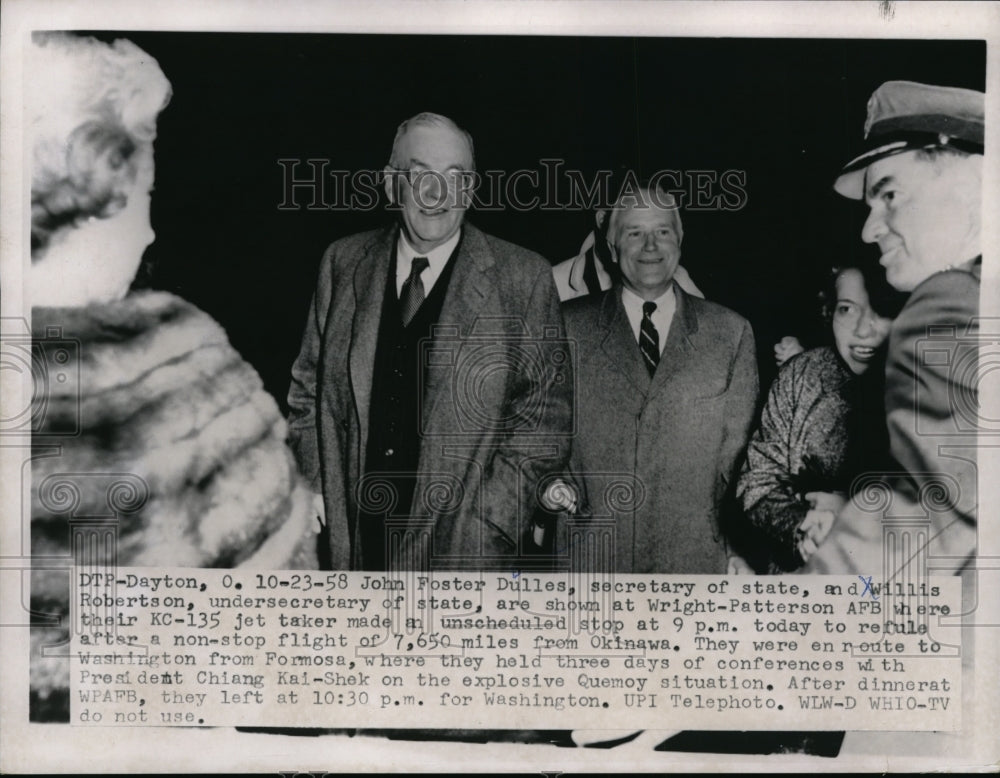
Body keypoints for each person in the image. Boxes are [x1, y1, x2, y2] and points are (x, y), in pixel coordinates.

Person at [27, 33, 317, 722]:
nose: (151, 231)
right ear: (104, 189)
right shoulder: (180, 367)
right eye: (147, 195)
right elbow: (290, 643)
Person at [287, 112, 573, 572]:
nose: (437, 195)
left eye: (455, 178)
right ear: (389, 183)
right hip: (356, 547)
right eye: (419, 175)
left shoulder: (523, 277)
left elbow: (545, 421)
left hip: (464, 551)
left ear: (473, 188)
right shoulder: (342, 264)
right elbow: (306, 388)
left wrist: (492, 522)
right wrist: (315, 483)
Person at [801, 80, 983, 575]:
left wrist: (781, 623)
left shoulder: (949, 302)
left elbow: (931, 511)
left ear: (977, 180)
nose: (868, 228)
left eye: (890, 195)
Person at [558, 182, 758, 573]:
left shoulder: (730, 333)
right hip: (592, 565)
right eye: (634, 233)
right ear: (612, 248)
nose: (651, 246)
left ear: (680, 241)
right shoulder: (567, 329)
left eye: (663, 231)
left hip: (696, 566)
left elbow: (742, 465)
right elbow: (539, 440)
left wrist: (740, 549)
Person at [737, 264, 905, 572]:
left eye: (880, 310)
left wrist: (854, 513)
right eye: (846, 309)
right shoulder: (801, 375)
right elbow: (757, 481)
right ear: (829, 313)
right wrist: (802, 525)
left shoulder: (930, 389)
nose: (863, 329)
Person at [552, 203, 704, 301]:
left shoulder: (679, 279)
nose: (649, 246)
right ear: (602, 220)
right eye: (633, 230)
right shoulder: (555, 282)